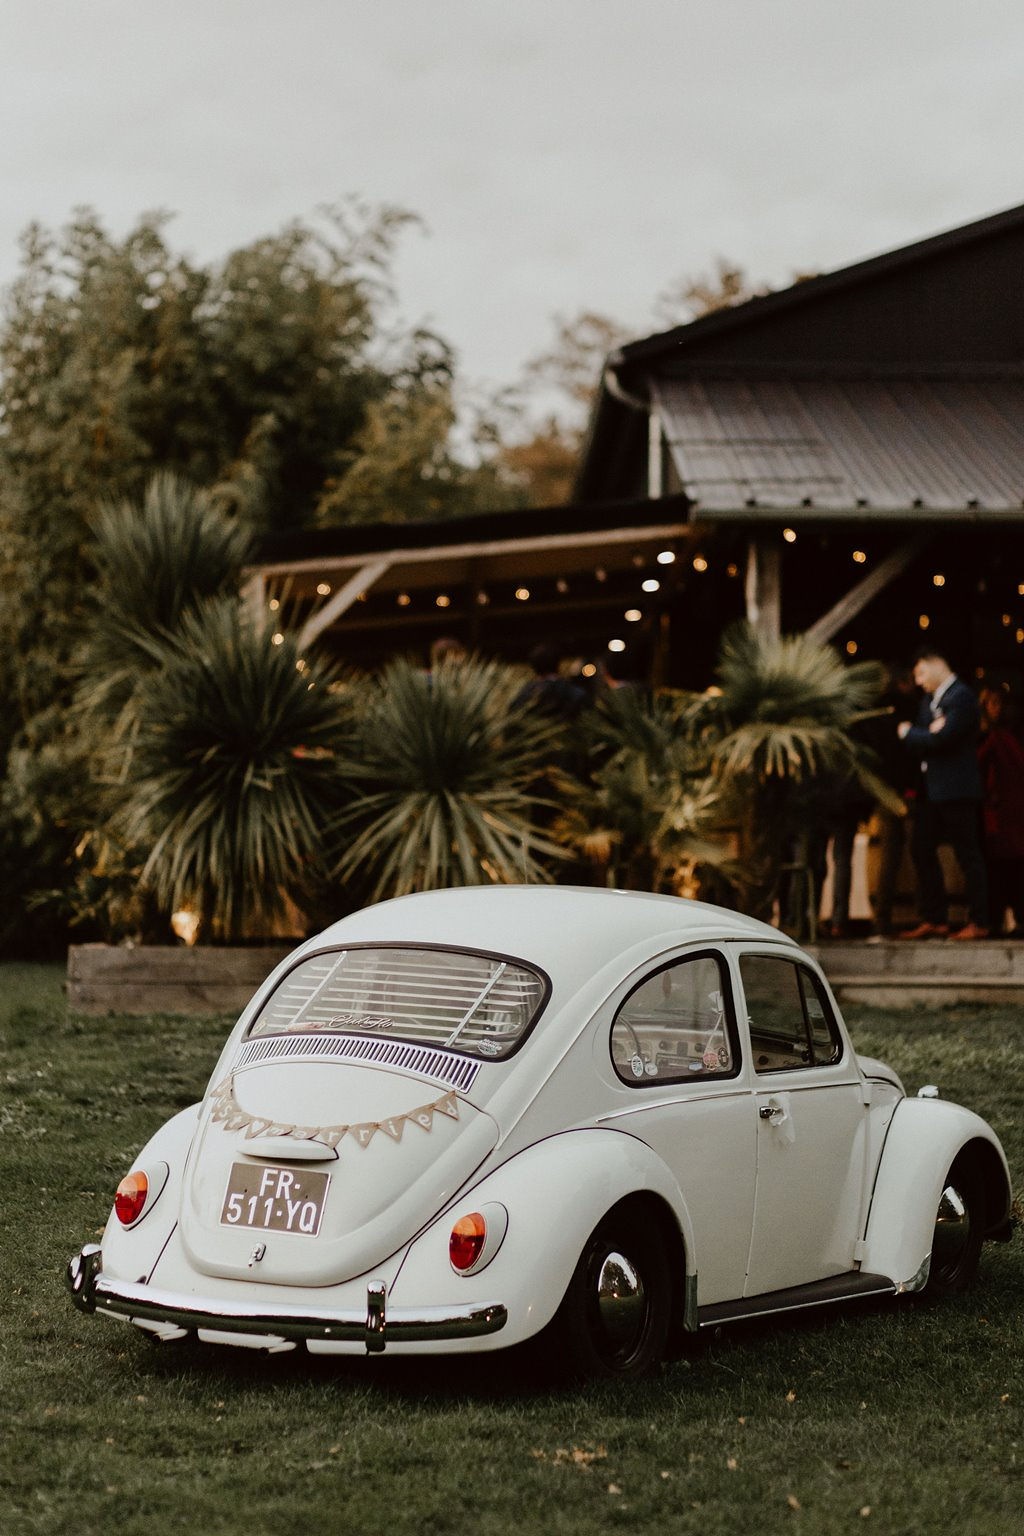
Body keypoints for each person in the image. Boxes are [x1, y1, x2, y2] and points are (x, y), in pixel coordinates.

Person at [897, 646, 989, 939]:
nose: (919, 681)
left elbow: (942, 740)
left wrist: (910, 732)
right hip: (931, 791)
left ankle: (980, 921)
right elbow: (930, 738)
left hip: (957, 790)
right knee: (921, 848)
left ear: (936, 666)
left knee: (967, 855)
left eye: (921, 673)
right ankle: (935, 917)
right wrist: (927, 734)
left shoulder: (961, 697)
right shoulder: (929, 700)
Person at [977, 685, 1024, 936]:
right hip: (1000, 814)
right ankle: (1000, 917)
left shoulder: (1001, 737)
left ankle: (1005, 917)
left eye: (998, 703)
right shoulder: (994, 737)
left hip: (1007, 812)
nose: (996, 709)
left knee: (1008, 867)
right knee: (1000, 867)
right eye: (990, 703)